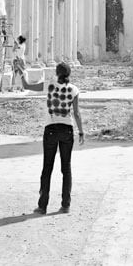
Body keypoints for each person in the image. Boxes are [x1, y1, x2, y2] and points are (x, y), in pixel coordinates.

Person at [34, 62, 84, 215]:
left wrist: (22, 72)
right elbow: (76, 113)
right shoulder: (74, 89)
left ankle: (42, 206)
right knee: (66, 168)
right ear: (69, 74)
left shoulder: (49, 86)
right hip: (67, 130)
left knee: (47, 167)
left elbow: (29, 85)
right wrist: (81, 131)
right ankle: (65, 204)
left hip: (51, 128)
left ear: (56, 73)